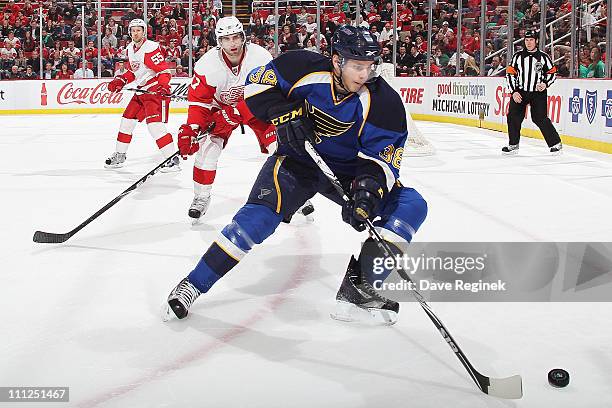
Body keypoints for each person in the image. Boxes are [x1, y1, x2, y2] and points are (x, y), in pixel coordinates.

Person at [164, 26, 428, 325]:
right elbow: (255, 87)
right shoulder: (301, 66)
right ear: (337, 60)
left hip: (347, 172)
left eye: (368, 67)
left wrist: (367, 192)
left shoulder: (384, 102)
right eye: (356, 66)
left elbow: (382, 160)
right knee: (256, 220)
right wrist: (285, 111)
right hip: (296, 162)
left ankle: (360, 287)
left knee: (411, 205)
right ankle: (192, 285)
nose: (363, 75)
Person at [105, 19, 180, 171]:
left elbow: (164, 71)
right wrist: (121, 80)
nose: (135, 33)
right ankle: (120, 155)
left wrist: (163, 86)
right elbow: (134, 71)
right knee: (126, 122)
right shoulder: (130, 49)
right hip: (141, 92)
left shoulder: (151, 47)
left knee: (155, 127)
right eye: (133, 30)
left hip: (154, 92)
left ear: (144, 31)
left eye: (139, 30)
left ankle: (172, 159)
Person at [505, 30, 562, 155]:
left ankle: (555, 143)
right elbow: (510, 73)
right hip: (520, 91)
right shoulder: (517, 56)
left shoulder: (543, 57)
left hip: (538, 93)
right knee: (513, 116)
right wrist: (513, 91)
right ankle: (513, 144)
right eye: (526, 40)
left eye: (531, 40)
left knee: (540, 118)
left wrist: (545, 83)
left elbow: (552, 73)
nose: (529, 42)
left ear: (536, 41)